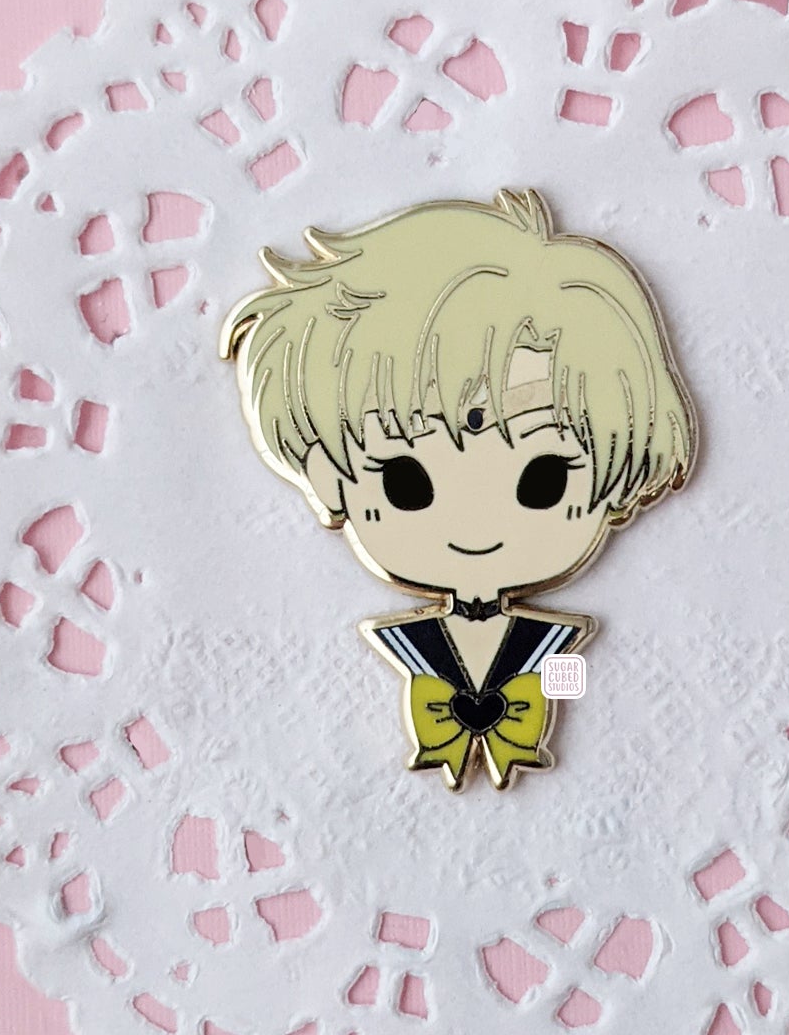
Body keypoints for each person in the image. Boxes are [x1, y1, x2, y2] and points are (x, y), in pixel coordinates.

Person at [220, 188, 695, 790]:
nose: (477, 526)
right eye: (405, 483)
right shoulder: (409, 646)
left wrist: (565, 692)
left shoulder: (556, 642)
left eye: (544, 481)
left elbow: (575, 672)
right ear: (325, 476)